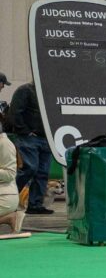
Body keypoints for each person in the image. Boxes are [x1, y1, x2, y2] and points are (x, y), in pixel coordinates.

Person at [8, 83, 52, 215]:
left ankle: (35, 204)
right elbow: (14, 112)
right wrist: (24, 130)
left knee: (42, 172)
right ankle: (8, 198)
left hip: (45, 137)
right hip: (29, 137)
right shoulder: (25, 90)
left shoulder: (49, 90)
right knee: (29, 168)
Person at [0, 120, 27, 237]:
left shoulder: (4, 144)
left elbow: (10, 174)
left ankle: (11, 217)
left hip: (4, 197)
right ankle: (9, 217)